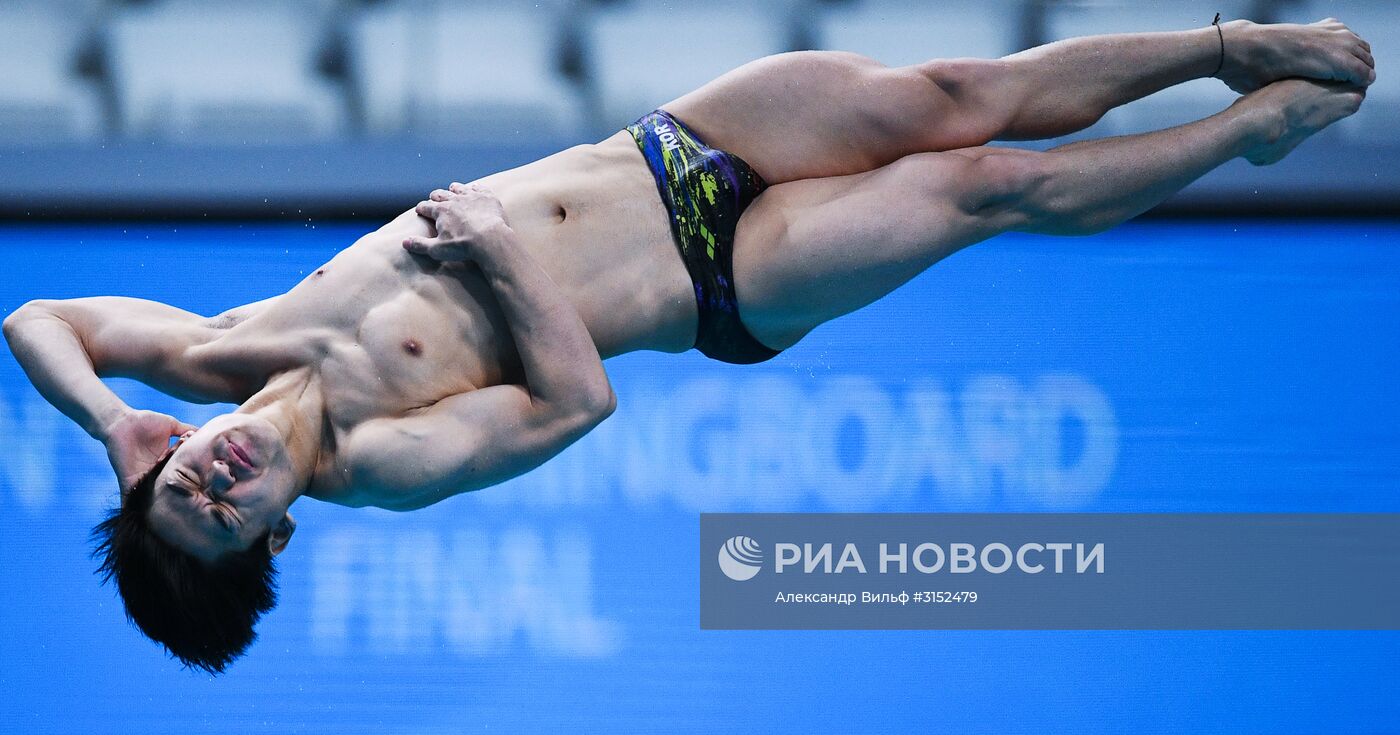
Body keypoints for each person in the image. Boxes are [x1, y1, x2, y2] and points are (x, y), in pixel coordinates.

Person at [3, 18, 1374, 672]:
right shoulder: (382, 461)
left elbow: (34, 321)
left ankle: (1221, 45)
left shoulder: (211, 358)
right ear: (273, 536)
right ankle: (1245, 134)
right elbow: (575, 403)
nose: (217, 479)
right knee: (983, 186)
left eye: (185, 486)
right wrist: (495, 255)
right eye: (225, 516)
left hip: (673, 148)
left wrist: (101, 424)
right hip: (725, 283)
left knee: (957, 93)